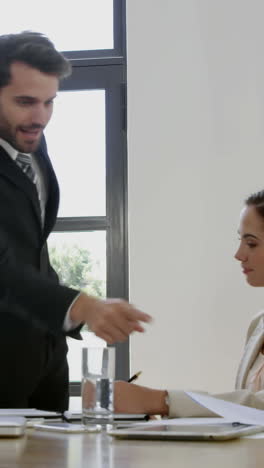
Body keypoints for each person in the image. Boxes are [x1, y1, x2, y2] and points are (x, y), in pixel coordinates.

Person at [0, 31, 151, 411]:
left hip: (42, 359)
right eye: (25, 102)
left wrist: (60, 324)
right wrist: (81, 306)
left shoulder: (29, 139)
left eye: (50, 102)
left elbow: (30, 250)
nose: (40, 117)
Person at [114, 190, 264, 417]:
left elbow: (258, 407)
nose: (239, 254)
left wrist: (162, 401)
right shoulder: (258, 324)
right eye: (240, 241)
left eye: (251, 244)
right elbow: (246, 413)